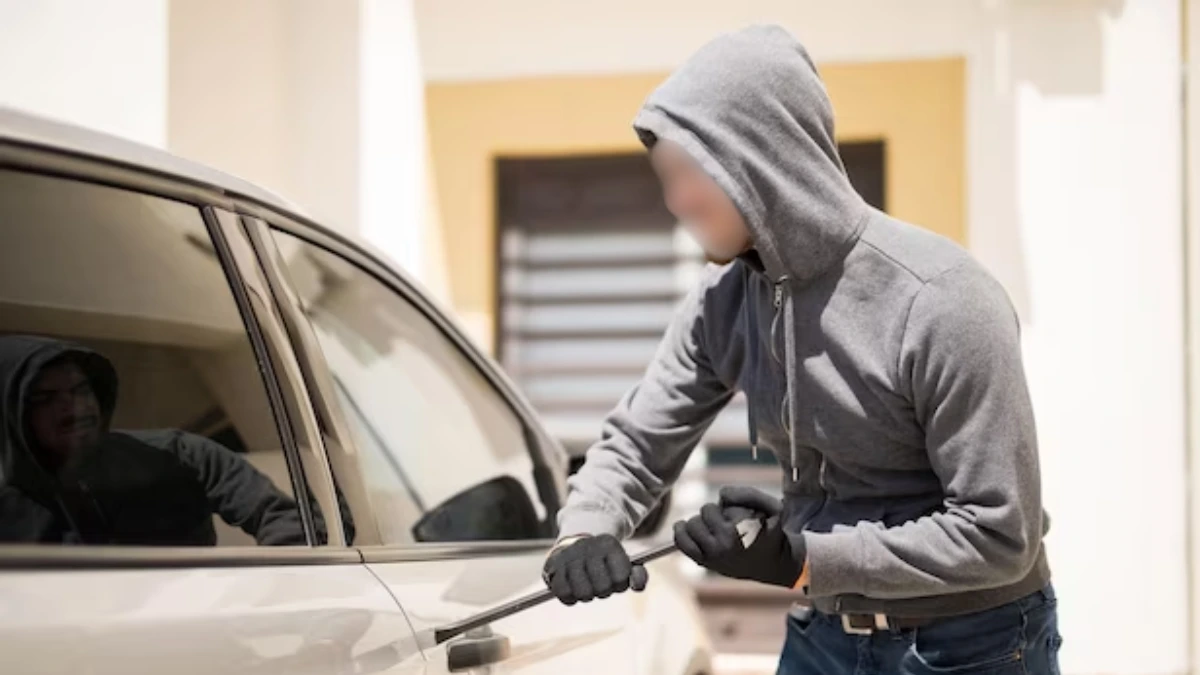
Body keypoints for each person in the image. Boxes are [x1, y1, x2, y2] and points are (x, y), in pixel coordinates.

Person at [541, 25, 1059, 673]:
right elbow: (638, 443)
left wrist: (804, 557)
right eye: (663, 179)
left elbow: (999, 531)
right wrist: (585, 528)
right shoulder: (723, 301)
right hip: (820, 635)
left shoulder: (942, 298)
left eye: (686, 173)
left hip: (970, 643)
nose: (675, 202)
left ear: (757, 157)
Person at [0, 334, 312, 546]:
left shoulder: (181, 455)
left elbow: (291, 520)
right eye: (45, 398)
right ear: (11, 414)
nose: (75, 407)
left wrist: (259, 598)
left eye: (81, 390)